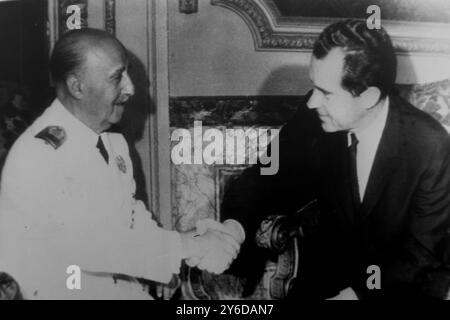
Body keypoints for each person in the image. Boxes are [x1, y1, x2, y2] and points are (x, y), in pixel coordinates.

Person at [0, 28, 244, 300]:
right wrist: (184, 247)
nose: (130, 88)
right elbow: (90, 247)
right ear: (77, 86)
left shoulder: (113, 145)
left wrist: (194, 240)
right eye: (117, 77)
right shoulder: (39, 155)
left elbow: (132, 225)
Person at [222, 19, 449, 299]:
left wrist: (355, 296)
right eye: (314, 87)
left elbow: (421, 257)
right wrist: (232, 230)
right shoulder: (315, 119)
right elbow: (265, 175)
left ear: (368, 97)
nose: (312, 102)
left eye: (326, 93)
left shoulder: (429, 146)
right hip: (324, 286)